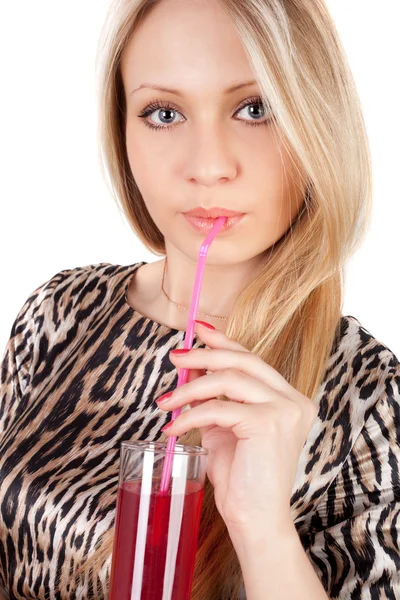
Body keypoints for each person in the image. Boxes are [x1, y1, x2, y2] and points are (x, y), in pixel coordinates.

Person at [1, 0, 399, 598]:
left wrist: (262, 529)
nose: (208, 166)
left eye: (255, 108)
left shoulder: (370, 397)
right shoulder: (60, 312)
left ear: (316, 120)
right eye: (163, 113)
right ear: (122, 131)